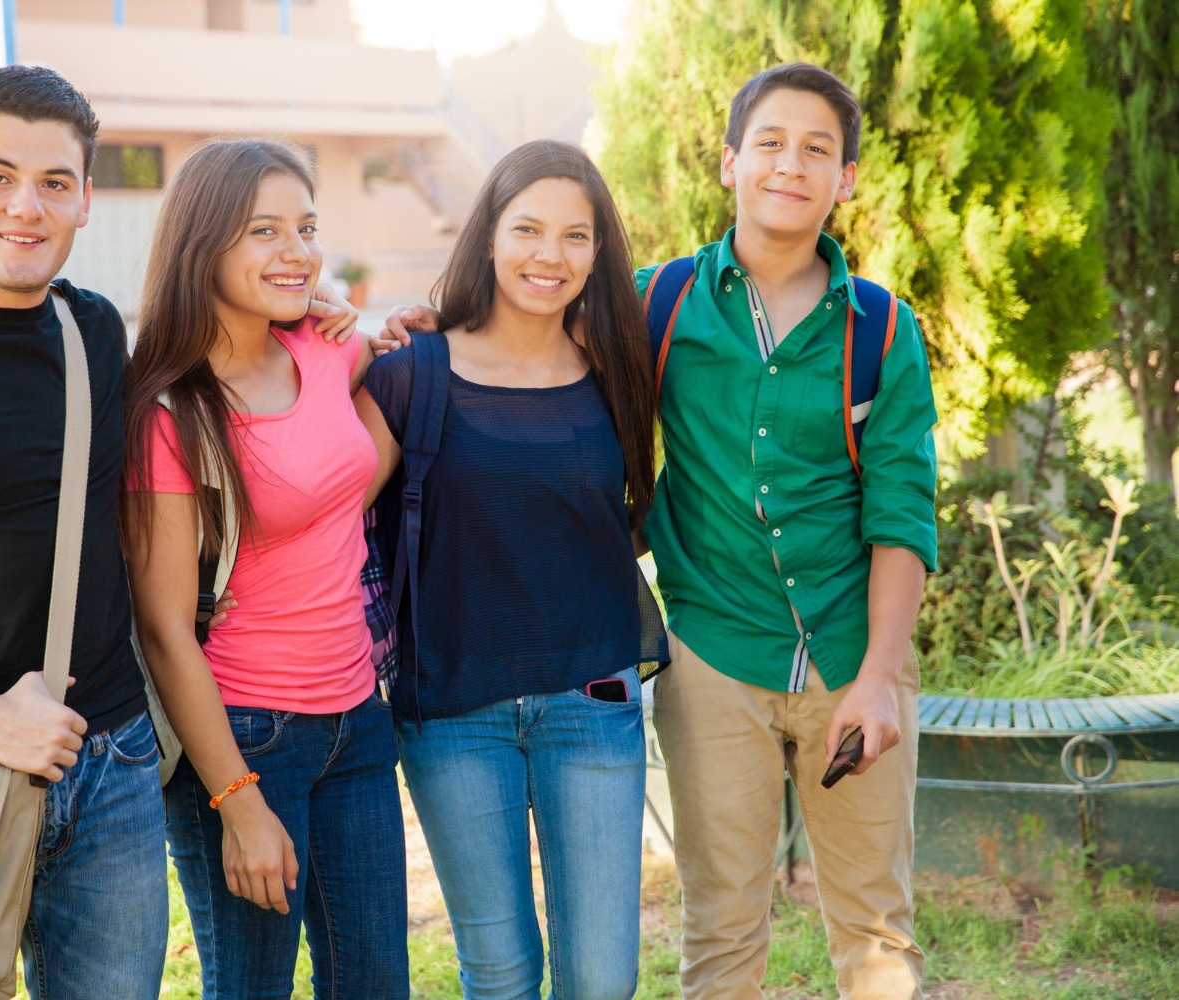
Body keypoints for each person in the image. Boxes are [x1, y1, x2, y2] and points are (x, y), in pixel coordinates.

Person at [0, 67, 348, 1000]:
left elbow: (230, 353)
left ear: (84, 198)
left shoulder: (93, 330)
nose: (24, 207)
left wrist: (318, 316)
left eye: (54, 181)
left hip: (111, 764)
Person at [379, 64, 937, 1000]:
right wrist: (436, 324)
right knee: (720, 931)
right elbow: (533, 331)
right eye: (769, 143)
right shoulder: (659, 303)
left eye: (817, 150)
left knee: (878, 931)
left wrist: (881, 676)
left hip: (854, 657)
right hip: (714, 652)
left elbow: (902, 514)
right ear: (730, 164)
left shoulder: (881, 329)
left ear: (847, 178)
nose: (789, 166)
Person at [355, 139, 664, 1000]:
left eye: (576, 235)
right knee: (500, 973)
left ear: (598, 252)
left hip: (591, 700)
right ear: (489, 236)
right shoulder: (410, 371)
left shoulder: (618, 371)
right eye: (528, 228)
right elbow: (321, 505)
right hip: (452, 710)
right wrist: (336, 346)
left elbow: (631, 511)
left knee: (602, 979)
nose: (549, 255)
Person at [122, 138, 408, 1000]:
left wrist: (399, 338)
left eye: (307, 227)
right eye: (264, 231)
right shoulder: (169, 411)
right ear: (202, 245)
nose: (298, 251)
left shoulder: (323, 355)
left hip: (359, 719)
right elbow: (165, 626)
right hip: (246, 734)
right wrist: (237, 800)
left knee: (375, 985)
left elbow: (352, 472)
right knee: (252, 987)